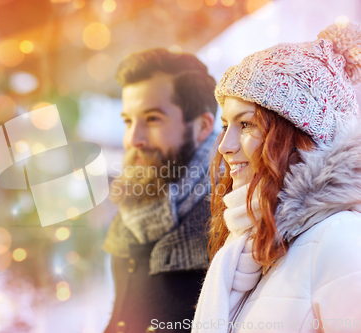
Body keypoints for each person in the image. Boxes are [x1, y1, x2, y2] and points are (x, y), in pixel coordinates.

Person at [192, 22, 361, 332]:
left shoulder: (341, 238)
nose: (226, 147)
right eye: (226, 126)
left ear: (298, 136)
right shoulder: (250, 246)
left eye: (246, 125)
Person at [102, 48, 218, 333]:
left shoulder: (230, 218)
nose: (133, 139)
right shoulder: (135, 202)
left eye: (152, 119)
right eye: (128, 121)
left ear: (202, 126)